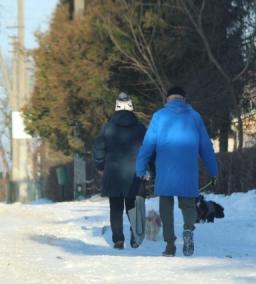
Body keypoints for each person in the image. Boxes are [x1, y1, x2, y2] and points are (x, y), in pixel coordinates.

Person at [136, 86, 218, 257]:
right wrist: (213, 171)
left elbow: (148, 145)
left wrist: (140, 168)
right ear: (184, 100)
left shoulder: (159, 116)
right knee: (188, 205)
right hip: (188, 170)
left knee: (166, 206)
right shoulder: (195, 117)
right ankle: (188, 229)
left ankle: (170, 245)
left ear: (167, 100)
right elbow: (206, 147)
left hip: (165, 171)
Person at [93, 92, 146, 249]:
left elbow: (98, 148)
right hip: (134, 173)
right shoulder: (140, 128)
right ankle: (135, 236)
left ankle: (118, 239)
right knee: (132, 205)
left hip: (113, 172)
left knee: (115, 207)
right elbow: (148, 149)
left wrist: (101, 166)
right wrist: (148, 168)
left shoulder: (107, 128)